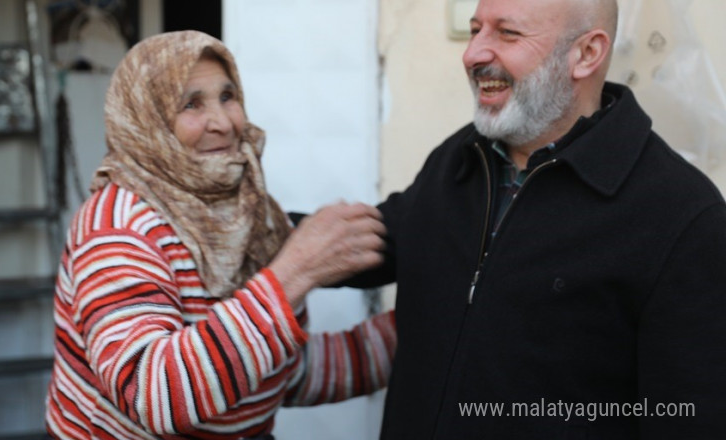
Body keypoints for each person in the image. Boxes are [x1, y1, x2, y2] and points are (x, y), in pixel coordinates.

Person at [351, 0, 726, 438]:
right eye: (476, 30)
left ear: (586, 54)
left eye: (507, 34)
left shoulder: (682, 217)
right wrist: (262, 228)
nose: (473, 53)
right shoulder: (461, 157)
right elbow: (368, 242)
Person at [44, 31, 396, 439]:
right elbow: (153, 394)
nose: (224, 123)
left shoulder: (249, 210)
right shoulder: (118, 226)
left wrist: (422, 326)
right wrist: (294, 272)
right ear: (148, 118)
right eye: (191, 104)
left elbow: (275, 372)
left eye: (228, 97)